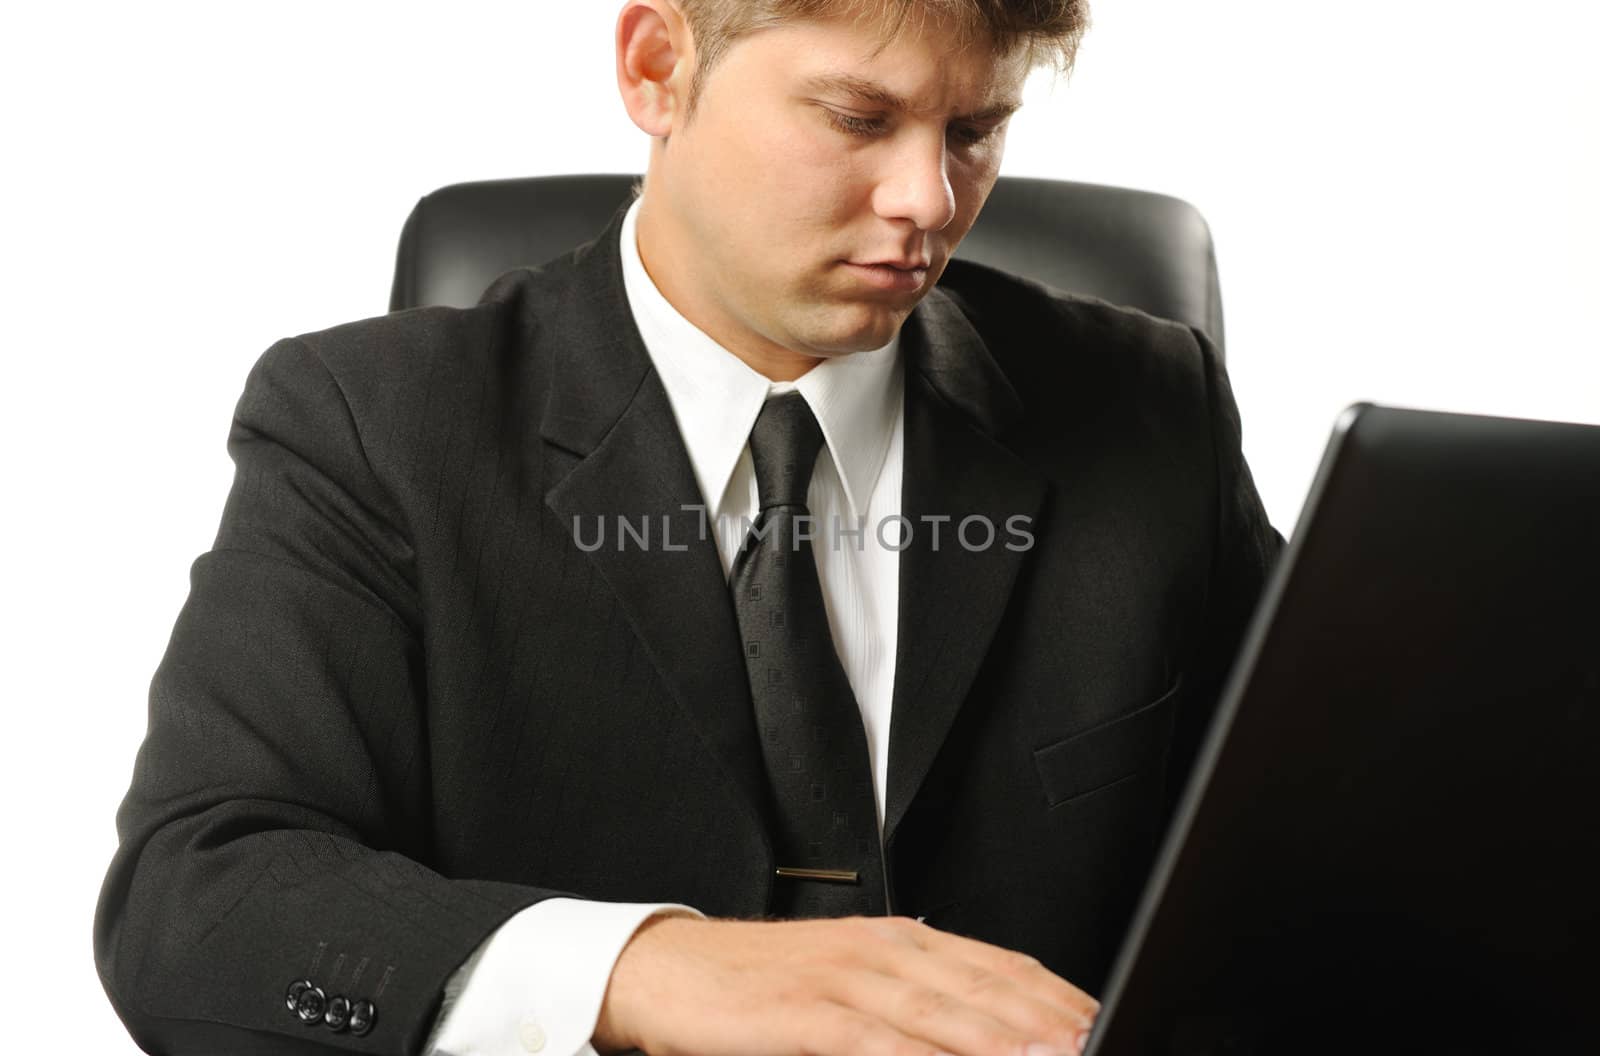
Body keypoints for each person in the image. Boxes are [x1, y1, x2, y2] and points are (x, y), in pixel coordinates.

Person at [94, 1, 1283, 1055]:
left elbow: (1318, 855)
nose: (928, 200)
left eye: (973, 132)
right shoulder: (375, 426)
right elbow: (195, 900)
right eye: (859, 118)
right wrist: (641, 969)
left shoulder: (1148, 407)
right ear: (658, 67)